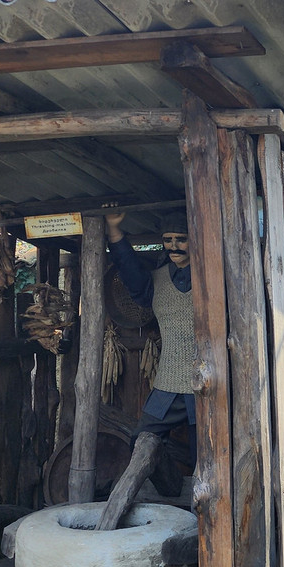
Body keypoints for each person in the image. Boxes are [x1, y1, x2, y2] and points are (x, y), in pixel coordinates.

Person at [99, 210, 195, 517]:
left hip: (206, 386)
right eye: (168, 240)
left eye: (181, 239)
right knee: (142, 440)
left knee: (206, 459)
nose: (174, 245)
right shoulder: (154, 280)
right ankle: (168, 492)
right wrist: (115, 232)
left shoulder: (214, 275)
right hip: (167, 384)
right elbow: (128, 269)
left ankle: (203, 526)